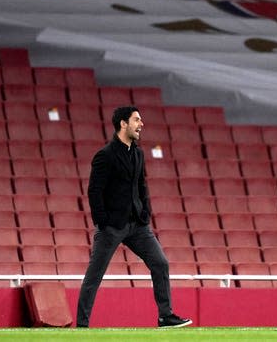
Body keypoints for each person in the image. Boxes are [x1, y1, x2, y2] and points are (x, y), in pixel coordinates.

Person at [76, 106, 192, 328]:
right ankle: (82, 325)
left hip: (138, 225)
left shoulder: (138, 153)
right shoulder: (105, 155)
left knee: (160, 263)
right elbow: (94, 191)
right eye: (137, 120)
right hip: (112, 225)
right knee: (95, 275)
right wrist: (103, 221)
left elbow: (141, 185)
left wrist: (145, 212)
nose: (141, 124)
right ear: (123, 124)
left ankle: (165, 316)